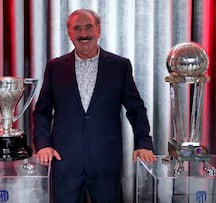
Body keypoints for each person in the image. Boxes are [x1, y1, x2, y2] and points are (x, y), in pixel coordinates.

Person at [32, 8, 156, 202]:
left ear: (98, 30)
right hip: (64, 162)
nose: (83, 34)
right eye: (77, 28)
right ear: (69, 33)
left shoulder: (120, 66)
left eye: (89, 27)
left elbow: (136, 109)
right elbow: (42, 112)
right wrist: (43, 144)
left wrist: (143, 143)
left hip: (106, 161)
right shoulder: (55, 67)